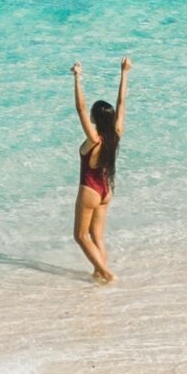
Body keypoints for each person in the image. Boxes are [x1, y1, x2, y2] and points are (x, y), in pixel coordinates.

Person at [70, 57, 129, 283]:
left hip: (90, 191)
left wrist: (77, 77)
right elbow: (122, 102)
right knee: (97, 237)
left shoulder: (94, 138)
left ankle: (106, 273)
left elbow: (80, 108)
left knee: (81, 236)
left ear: (95, 118)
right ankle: (99, 273)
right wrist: (125, 72)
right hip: (106, 189)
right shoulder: (116, 133)